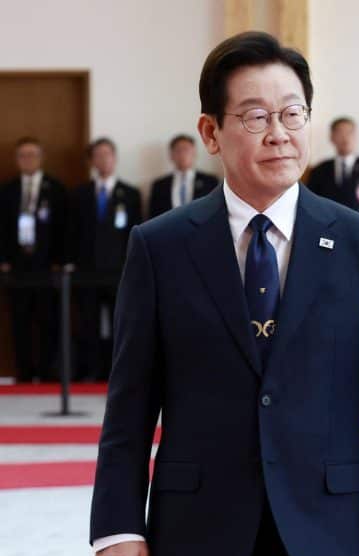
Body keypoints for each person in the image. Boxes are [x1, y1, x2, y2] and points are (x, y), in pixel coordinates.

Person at [89, 31, 359, 556]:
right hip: (199, 533)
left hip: (330, 530)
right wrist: (117, 525)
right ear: (210, 132)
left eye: (292, 114)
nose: (279, 134)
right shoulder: (162, 246)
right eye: (254, 117)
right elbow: (130, 400)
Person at [67, 137, 142, 381]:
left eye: (108, 154)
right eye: (98, 155)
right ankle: (90, 371)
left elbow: (137, 232)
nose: (103, 160)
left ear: (115, 158)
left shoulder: (130, 193)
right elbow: (72, 232)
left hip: (119, 269)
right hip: (86, 269)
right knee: (87, 322)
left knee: (119, 323)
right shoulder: (79, 194)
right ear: (91, 161)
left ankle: (116, 372)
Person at [0, 137, 69, 381]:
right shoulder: (7, 191)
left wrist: (60, 260)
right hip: (17, 267)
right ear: (16, 160)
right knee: (19, 322)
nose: (27, 159)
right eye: (22, 155)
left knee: (48, 322)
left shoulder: (56, 189)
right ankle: (24, 374)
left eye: (32, 155)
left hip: (47, 267)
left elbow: (64, 228)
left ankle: (48, 374)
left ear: (41, 158)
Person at [306, 117, 359, 209]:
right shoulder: (319, 170)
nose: (345, 137)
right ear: (331, 137)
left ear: (356, 136)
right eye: (340, 133)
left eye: (349, 132)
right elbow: (311, 201)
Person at [148, 134, 220, 219]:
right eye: (178, 150)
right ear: (171, 155)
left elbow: (216, 212)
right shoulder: (159, 185)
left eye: (186, 150)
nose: (182, 154)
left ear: (194, 153)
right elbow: (153, 218)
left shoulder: (210, 181)